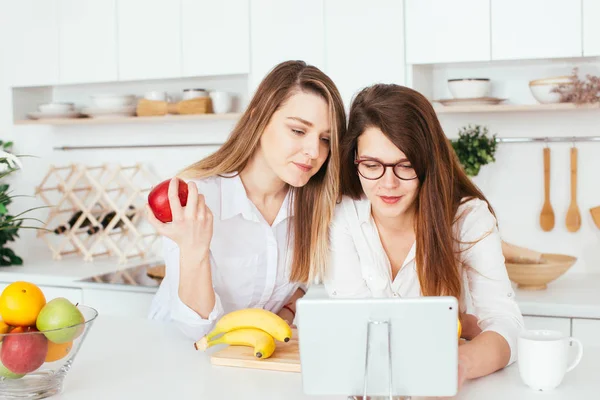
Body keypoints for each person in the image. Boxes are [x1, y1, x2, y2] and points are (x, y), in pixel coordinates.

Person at [324, 83, 524, 389]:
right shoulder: (344, 217)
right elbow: (356, 328)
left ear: (427, 163)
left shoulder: (468, 218)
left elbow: (505, 325)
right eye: (372, 165)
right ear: (355, 160)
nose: (387, 183)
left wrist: (458, 364)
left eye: (405, 165)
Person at [146, 60, 346, 340]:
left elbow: (301, 283)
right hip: (176, 356)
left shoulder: (314, 205)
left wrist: (285, 314)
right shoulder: (197, 198)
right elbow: (197, 330)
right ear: (258, 118)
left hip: (249, 360)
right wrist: (194, 250)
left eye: (326, 139)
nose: (314, 151)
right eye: (298, 131)